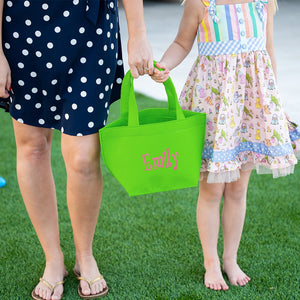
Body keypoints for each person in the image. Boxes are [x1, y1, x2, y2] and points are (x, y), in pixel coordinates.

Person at [0, 0, 153, 299]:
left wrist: (139, 33)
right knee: (32, 147)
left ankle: (85, 255)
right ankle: (53, 258)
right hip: (24, 25)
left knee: (83, 157)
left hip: (90, 29)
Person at [151, 0, 300, 291]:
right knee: (211, 190)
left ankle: (230, 258)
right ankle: (211, 262)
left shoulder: (262, 3)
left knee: (238, 188)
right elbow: (182, 43)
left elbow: (268, 51)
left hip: (249, 107)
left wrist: (273, 102)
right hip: (215, 111)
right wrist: (164, 65)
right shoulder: (201, 3)